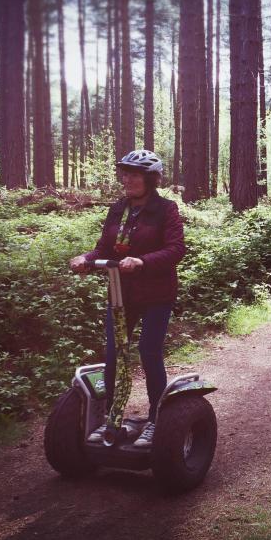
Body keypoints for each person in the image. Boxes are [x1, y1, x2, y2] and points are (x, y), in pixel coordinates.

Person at [69, 149, 186, 447]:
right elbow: (105, 250)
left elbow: (176, 250)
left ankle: (156, 420)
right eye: (126, 173)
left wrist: (143, 261)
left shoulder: (166, 209)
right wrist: (86, 258)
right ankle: (113, 419)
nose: (129, 179)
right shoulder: (118, 209)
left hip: (157, 294)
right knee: (114, 356)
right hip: (121, 296)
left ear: (151, 179)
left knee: (149, 352)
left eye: (136, 174)